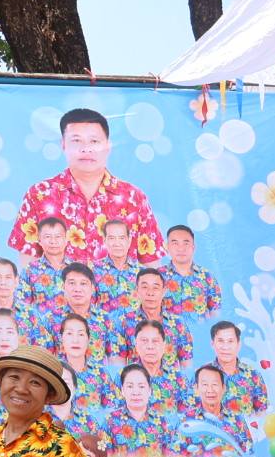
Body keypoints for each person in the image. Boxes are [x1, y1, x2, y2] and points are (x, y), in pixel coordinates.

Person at [9, 107, 161, 264]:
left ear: (108, 146)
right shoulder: (39, 195)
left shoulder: (133, 198)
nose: (86, 149)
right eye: (76, 141)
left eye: (94, 141)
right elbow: (28, 264)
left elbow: (151, 264)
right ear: (63, 145)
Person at [112, 269, 193, 366]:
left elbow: (187, 365)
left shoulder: (179, 323)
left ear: (163, 291)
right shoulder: (123, 322)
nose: (150, 293)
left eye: (155, 287)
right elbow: (118, 366)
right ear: (137, 291)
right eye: (145, 287)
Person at [179, 364, 253, 456]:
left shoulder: (237, 420)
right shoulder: (186, 420)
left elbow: (249, 453)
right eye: (205, 385)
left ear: (223, 388)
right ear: (196, 389)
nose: (210, 390)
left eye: (215, 384)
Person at [103, 364, 177, 455]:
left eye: (141, 386)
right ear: (122, 390)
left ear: (149, 391)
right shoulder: (110, 421)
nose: (136, 392)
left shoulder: (162, 421)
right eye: (130, 386)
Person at [128, 321, 193, 415]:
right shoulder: (124, 376)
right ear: (136, 344)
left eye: (155, 341)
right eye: (144, 341)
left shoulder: (179, 378)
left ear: (164, 345)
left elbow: (187, 416)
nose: (150, 347)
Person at [208, 321, 269, 417]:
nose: (225, 347)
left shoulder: (253, 375)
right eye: (220, 341)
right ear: (212, 344)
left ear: (238, 344)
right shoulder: (201, 375)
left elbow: (261, 414)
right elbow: (193, 415)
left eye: (230, 341)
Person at [160, 225, 222, 317]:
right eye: (175, 243)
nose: (181, 249)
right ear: (167, 247)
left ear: (193, 247)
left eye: (186, 243)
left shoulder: (207, 276)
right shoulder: (157, 276)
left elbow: (215, 313)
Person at [58, 315, 116, 412]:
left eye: (81, 334)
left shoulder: (101, 373)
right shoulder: (53, 371)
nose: (75, 340)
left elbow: (110, 411)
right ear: (61, 338)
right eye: (69, 333)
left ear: (88, 339)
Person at [20, 215, 72, 315]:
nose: (53, 241)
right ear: (39, 240)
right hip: (40, 325)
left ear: (66, 239)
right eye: (48, 237)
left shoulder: (78, 269)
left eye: (58, 236)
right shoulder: (30, 270)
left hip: (73, 324)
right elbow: (22, 304)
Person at [92, 218, 139, 316]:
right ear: (104, 240)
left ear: (129, 240)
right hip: (103, 325)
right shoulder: (94, 270)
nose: (117, 243)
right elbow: (88, 306)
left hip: (136, 325)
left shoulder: (141, 272)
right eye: (112, 238)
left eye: (121, 238)